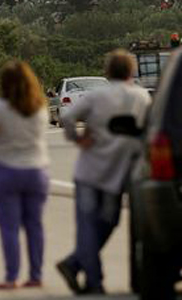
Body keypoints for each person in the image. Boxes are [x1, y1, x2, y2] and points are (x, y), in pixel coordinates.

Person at [56, 50, 152, 295]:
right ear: (131, 70)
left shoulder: (97, 96)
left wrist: (77, 139)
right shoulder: (142, 97)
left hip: (88, 172)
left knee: (88, 226)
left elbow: (68, 117)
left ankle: (79, 268)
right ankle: (91, 280)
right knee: (109, 222)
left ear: (108, 71)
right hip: (117, 175)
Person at [0, 60, 51, 290]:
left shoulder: (0, 107)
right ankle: (36, 275)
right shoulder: (40, 107)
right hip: (36, 171)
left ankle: (12, 277)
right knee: (35, 226)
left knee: (9, 228)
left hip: (5, 170)